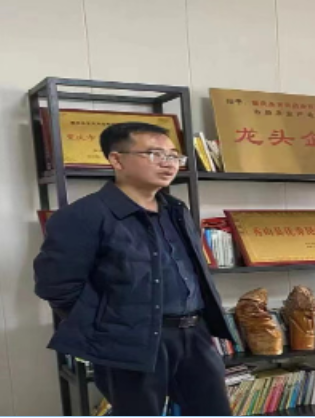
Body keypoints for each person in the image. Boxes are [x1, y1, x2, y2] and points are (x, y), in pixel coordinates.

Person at [34, 123, 232, 415]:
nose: (168, 163)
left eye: (173, 156)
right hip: (129, 340)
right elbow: (56, 286)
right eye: (154, 154)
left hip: (194, 334)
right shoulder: (84, 215)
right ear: (117, 160)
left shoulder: (176, 209)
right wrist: (108, 326)